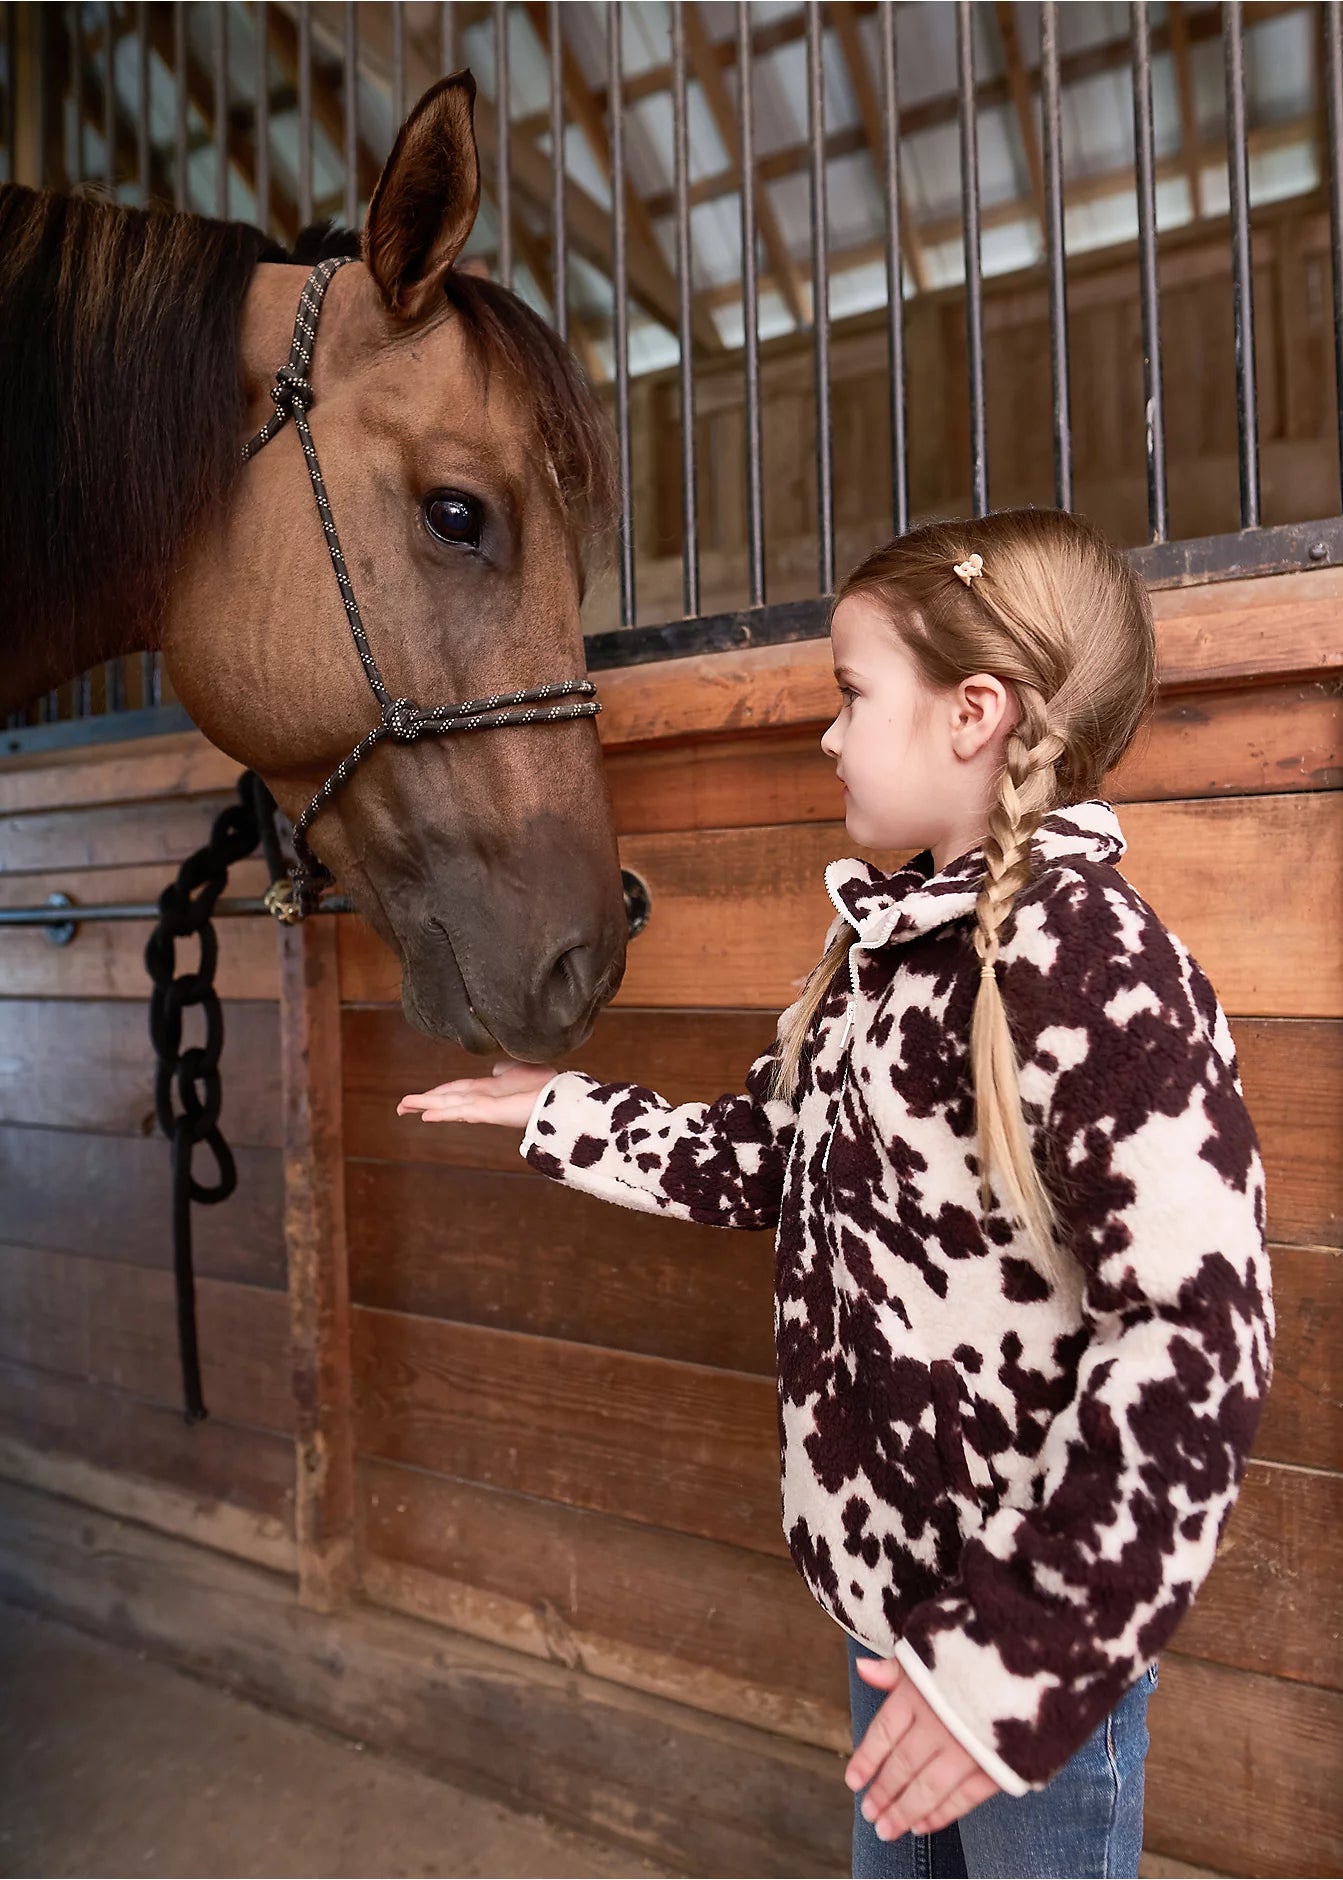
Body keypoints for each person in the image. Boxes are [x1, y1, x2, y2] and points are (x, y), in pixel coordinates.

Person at [397, 508, 1273, 1880]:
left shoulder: (1095, 964)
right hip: (884, 1615)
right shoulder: (887, 942)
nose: (827, 733)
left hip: (1019, 1662)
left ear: (974, 714)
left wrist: (1014, 1666)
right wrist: (559, 1114)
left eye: (851, 695)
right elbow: (768, 1155)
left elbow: (1199, 1338)